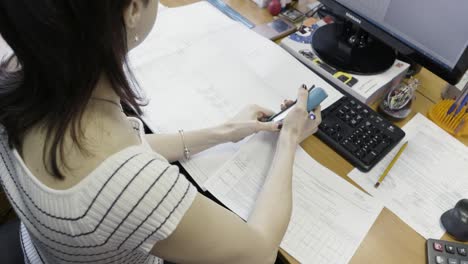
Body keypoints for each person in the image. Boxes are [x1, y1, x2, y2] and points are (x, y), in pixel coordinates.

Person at [0, 0, 322, 263]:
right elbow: (259, 252)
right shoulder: (128, 186)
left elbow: (121, 156)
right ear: (133, 9)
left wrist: (223, 132)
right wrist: (289, 138)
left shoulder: (18, 73)